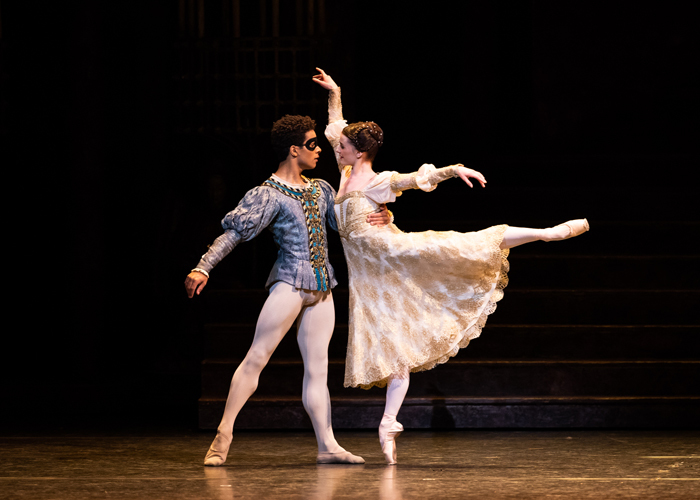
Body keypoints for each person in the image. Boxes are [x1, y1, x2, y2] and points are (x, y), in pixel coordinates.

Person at [312, 67, 589, 465]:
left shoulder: (378, 181)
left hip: (393, 254)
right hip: (370, 278)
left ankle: (547, 232)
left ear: (360, 152)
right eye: (338, 145)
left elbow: (413, 180)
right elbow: (335, 125)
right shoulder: (343, 172)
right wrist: (335, 92)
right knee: (394, 347)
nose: (335, 148)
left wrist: (452, 170)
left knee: (465, 245)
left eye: (343, 147)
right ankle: (388, 424)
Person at [184, 114, 391, 466]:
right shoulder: (268, 194)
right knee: (257, 357)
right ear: (294, 150)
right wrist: (204, 265)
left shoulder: (321, 189)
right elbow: (235, 233)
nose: (319, 151)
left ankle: (327, 445)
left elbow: (348, 225)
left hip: (322, 287)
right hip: (290, 284)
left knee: (318, 370)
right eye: (312, 144)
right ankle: (224, 434)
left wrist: (381, 216)